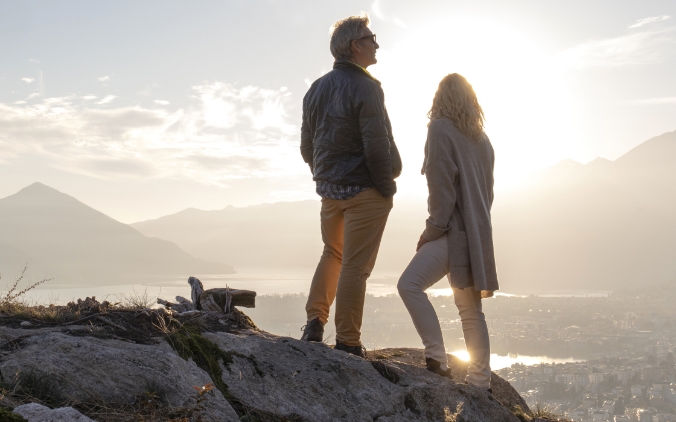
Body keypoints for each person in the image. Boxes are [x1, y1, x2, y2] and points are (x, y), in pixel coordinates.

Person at [299, 13, 402, 358]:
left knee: (332, 253)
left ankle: (315, 321)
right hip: (364, 191)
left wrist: (323, 175)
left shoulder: (315, 89)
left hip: (330, 191)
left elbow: (307, 146)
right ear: (356, 46)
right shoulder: (367, 86)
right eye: (372, 38)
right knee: (356, 267)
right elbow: (377, 144)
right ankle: (348, 341)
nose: (376, 44)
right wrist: (386, 187)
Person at [397, 73, 498, 390]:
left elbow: (441, 191)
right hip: (477, 234)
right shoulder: (483, 141)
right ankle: (480, 382)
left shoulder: (440, 129)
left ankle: (437, 360)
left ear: (440, 99)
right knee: (470, 311)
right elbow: (488, 193)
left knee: (409, 285)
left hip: (453, 231)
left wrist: (432, 229)